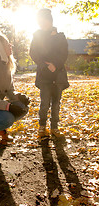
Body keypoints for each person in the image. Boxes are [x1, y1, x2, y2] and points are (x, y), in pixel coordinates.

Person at [30, 8, 69, 138]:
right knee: (44, 102)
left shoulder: (60, 36)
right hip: (44, 74)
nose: (42, 24)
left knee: (56, 103)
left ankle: (54, 127)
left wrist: (55, 65)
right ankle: (42, 126)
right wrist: (44, 64)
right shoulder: (37, 35)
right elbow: (34, 53)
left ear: (50, 20)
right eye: (40, 22)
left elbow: (63, 53)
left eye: (44, 21)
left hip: (58, 75)